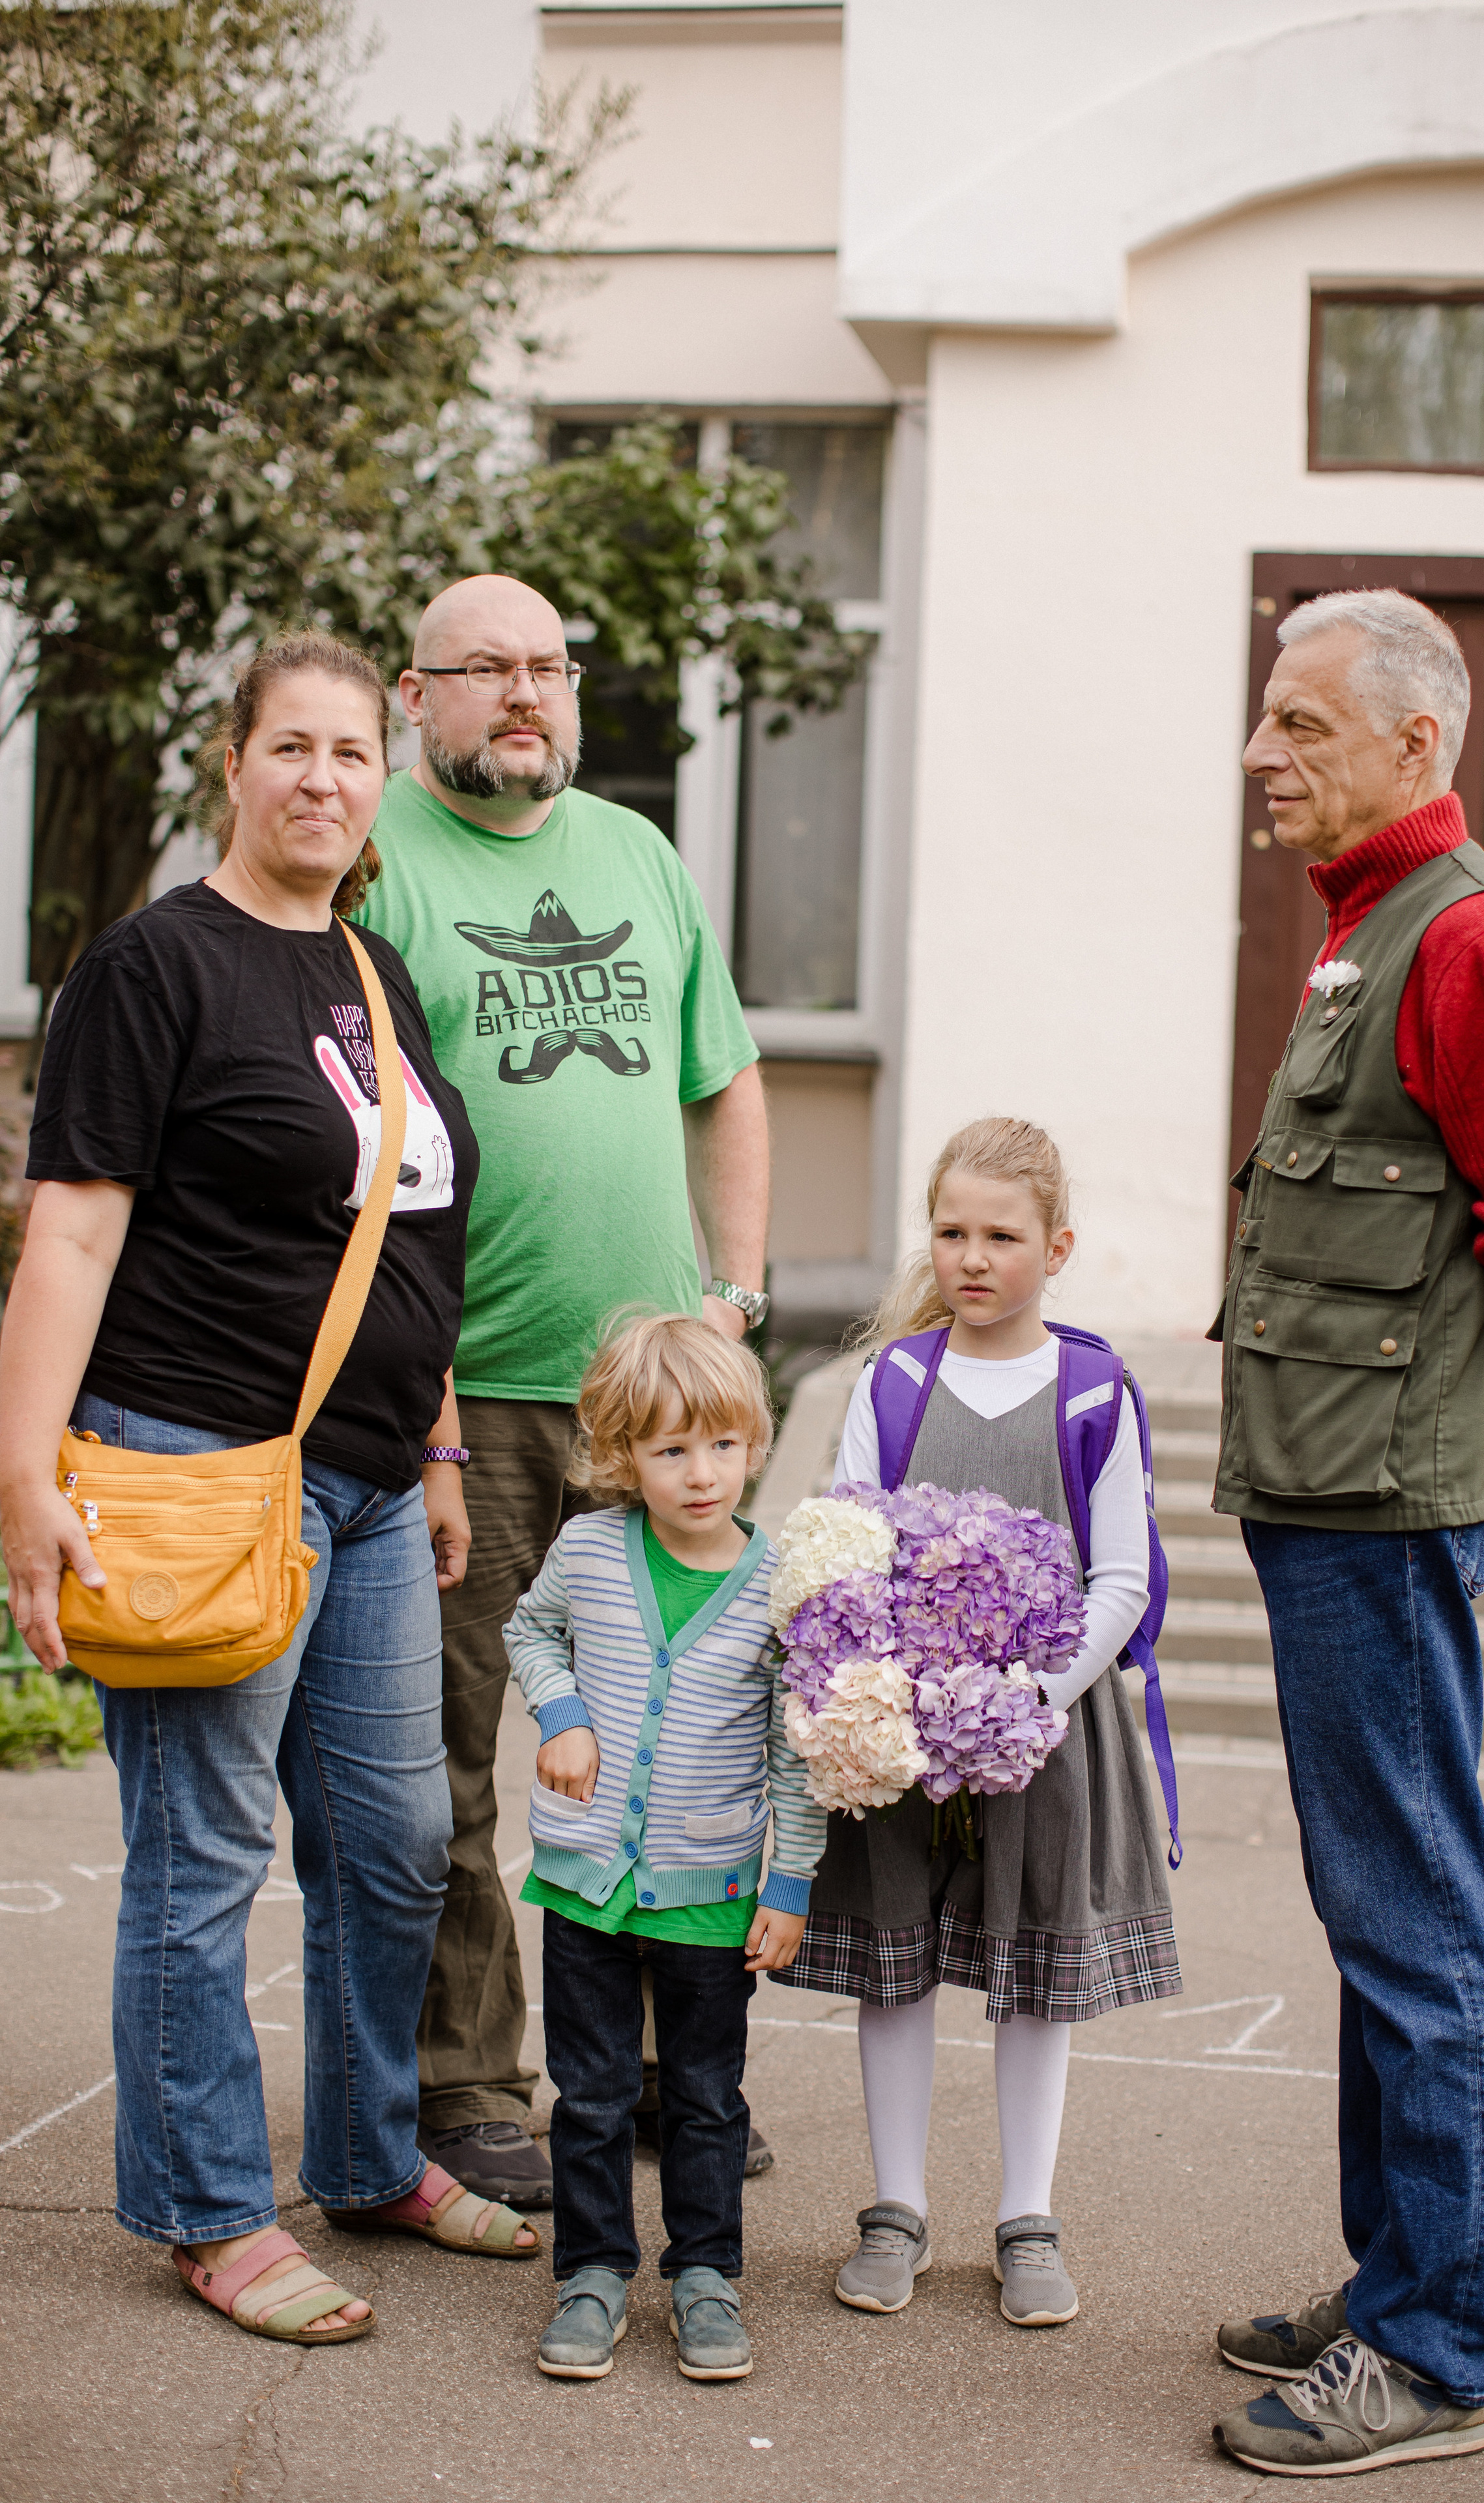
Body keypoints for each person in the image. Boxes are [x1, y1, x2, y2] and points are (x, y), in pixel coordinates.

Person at [0, 631, 542, 2349]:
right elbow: (71, 1232)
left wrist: (442, 1443)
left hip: (379, 1485)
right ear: (230, 764)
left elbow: (406, 1237)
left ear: (384, 782)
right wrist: (24, 1473)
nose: (322, 777)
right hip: (195, 1470)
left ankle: (373, 2155)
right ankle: (209, 2207)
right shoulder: (153, 969)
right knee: (207, 1849)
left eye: (351, 752)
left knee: (393, 1844)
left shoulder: (372, 977)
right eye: (289, 745)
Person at [1210, 589, 1484, 2476]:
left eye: (1303, 724)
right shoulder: (1369, 935)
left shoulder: (1467, 938)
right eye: (1264, 719)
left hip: (1384, 1517)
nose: (1261, 753)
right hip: (1352, 1501)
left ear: (1415, 745)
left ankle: (1439, 2349)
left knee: (1417, 1930)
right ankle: (1402, 2277)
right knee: (1379, 1913)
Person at [358, 574, 771, 2209]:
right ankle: (470, 2087)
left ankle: (666, 2068)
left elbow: (723, 1081)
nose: (525, 696)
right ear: (416, 693)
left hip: (653, 1409)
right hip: (458, 1397)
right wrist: (426, 1391)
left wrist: (728, 1307)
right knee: (463, 1756)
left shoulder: (635, 853)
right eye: (487, 671)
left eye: (549, 668)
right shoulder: (375, 857)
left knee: (691, 1738)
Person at [772, 1117, 1178, 2328]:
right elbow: (844, 1550)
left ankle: (1027, 2216)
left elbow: (1124, 1580)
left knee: (1034, 1980)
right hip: (899, 1734)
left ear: (1056, 1247)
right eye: (951, 1231)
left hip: (1044, 1735)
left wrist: (1031, 1698)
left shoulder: (1096, 1388)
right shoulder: (893, 1383)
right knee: (895, 1974)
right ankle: (895, 2208)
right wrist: (883, 1690)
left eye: (1002, 1235)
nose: (973, 1256)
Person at [502, 1314, 823, 2382]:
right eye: (671, 1449)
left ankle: (705, 2275)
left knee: (703, 2097)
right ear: (621, 1454)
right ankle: (592, 2274)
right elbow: (529, 1631)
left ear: (755, 1443)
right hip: (586, 1880)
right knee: (588, 2094)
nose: (700, 1474)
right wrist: (561, 1716)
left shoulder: (780, 1584)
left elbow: (796, 1753)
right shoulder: (590, 1548)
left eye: (722, 1446)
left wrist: (788, 1883)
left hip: (713, 1888)